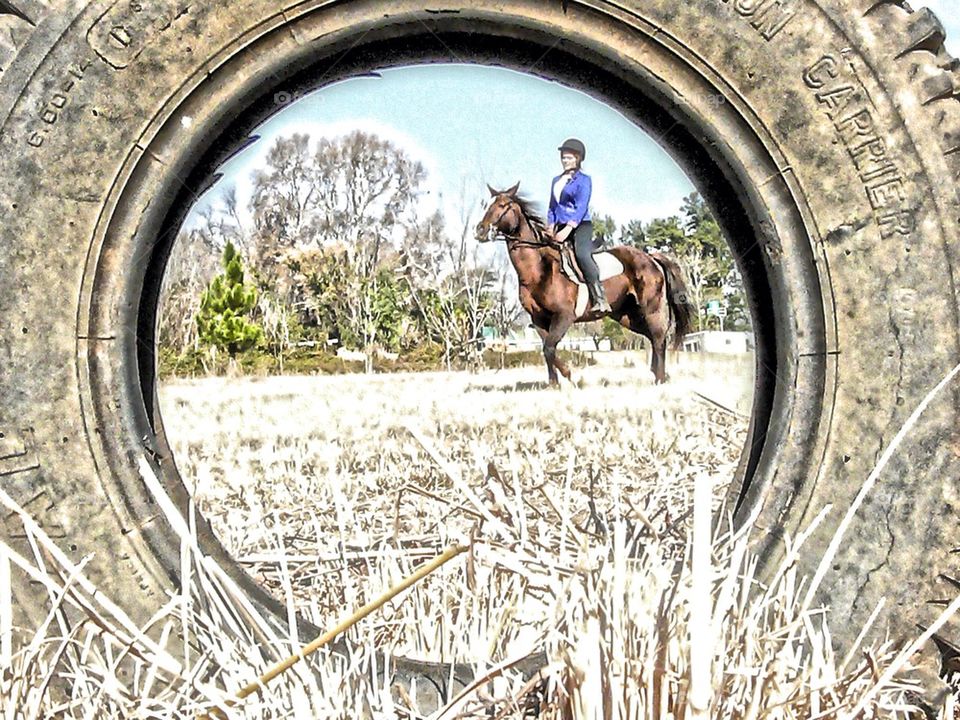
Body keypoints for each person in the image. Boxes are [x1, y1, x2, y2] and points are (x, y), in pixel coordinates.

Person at [546, 138, 612, 313]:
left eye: (568, 158)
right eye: (563, 158)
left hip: (580, 224)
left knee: (582, 255)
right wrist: (550, 225)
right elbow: (553, 205)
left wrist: (568, 229)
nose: (565, 161)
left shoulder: (584, 180)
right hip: (559, 225)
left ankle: (600, 298)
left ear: (578, 159)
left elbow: (581, 206)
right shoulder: (556, 180)